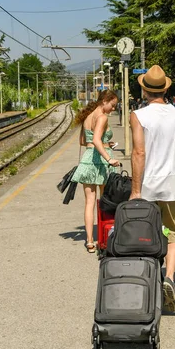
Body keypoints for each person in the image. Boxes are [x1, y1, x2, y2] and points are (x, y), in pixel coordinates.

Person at [129, 65, 175, 312]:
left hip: (147, 186)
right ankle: (169, 278)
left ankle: (147, 280)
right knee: (174, 233)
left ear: (144, 90)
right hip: (174, 185)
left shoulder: (139, 116)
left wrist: (135, 190)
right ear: (166, 88)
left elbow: (138, 152)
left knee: (146, 233)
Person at [72, 90, 120, 252]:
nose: (113, 109)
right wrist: (109, 158)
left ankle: (89, 241)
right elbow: (97, 140)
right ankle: (104, 238)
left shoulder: (87, 116)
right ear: (104, 101)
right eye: (112, 105)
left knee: (89, 203)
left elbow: (83, 141)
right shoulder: (102, 117)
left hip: (87, 161)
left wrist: (107, 143)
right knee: (105, 202)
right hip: (100, 163)